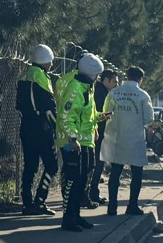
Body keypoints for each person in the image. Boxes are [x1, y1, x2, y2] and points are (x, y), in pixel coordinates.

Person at [55, 52, 103, 232]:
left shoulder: (87, 87)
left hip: (85, 140)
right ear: (91, 74)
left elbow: (87, 113)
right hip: (73, 142)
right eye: (97, 74)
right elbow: (66, 116)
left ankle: (76, 216)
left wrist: (97, 122)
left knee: (82, 179)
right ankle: (68, 218)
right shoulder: (76, 88)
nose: (98, 78)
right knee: (73, 180)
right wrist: (73, 138)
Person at [101, 66, 152, 216]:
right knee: (137, 173)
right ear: (140, 80)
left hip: (116, 137)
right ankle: (132, 205)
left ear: (127, 76)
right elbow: (149, 118)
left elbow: (106, 113)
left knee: (115, 172)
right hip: (135, 139)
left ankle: (112, 206)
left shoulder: (114, 93)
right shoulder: (143, 95)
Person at [14, 44, 58, 216]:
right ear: (46, 61)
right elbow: (49, 108)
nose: (52, 65)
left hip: (26, 126)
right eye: (51, 61)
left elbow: (19, 105)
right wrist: (56, 127)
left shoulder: (24, 74)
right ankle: (40, 200)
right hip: (42, 129)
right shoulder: (41, 77)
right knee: (52, 165)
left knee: (30, 165)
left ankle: (27, 202)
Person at [88, 69, 119, 206]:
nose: (116, 85)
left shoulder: (100, 91)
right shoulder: (102, 93)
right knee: (97, 165)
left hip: (97, 133)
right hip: (98, 134)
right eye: (114, 82)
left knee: (96, 165)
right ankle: (92, 193)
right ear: (106, 80)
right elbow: (100, 113)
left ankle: (92, 192)